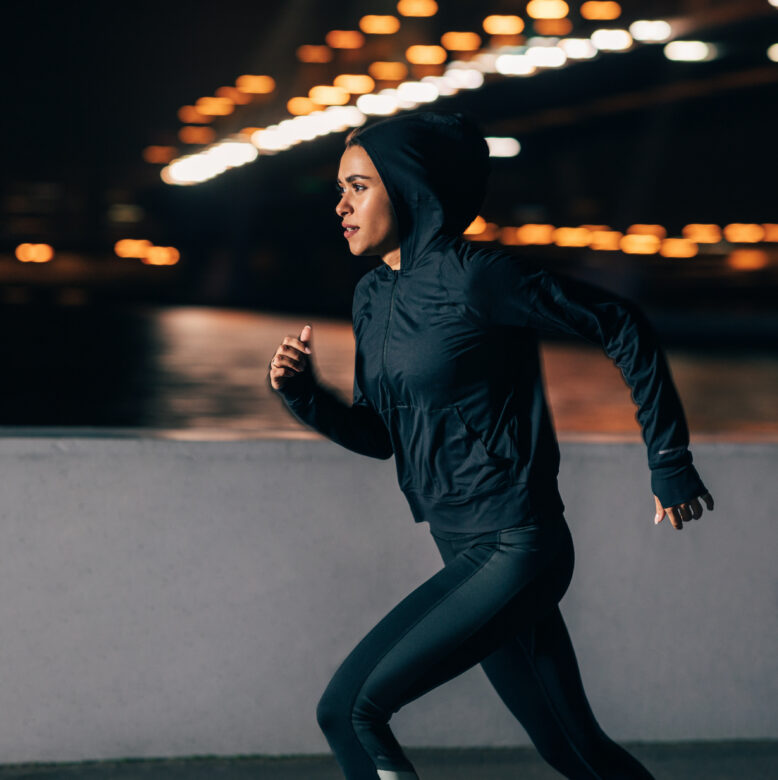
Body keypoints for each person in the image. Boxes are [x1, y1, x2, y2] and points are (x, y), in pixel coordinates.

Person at [267, 111, 714, 780]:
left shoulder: (476, 275)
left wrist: (669, 461)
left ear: (409, 187)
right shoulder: (371, 298)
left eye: (358, 186)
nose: (341, 205)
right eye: (340, 189)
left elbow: (619, 323)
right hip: (459, 544)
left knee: (350, 713)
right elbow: (381, 438)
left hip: (517, 545)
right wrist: (306, 396)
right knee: (574, 748)